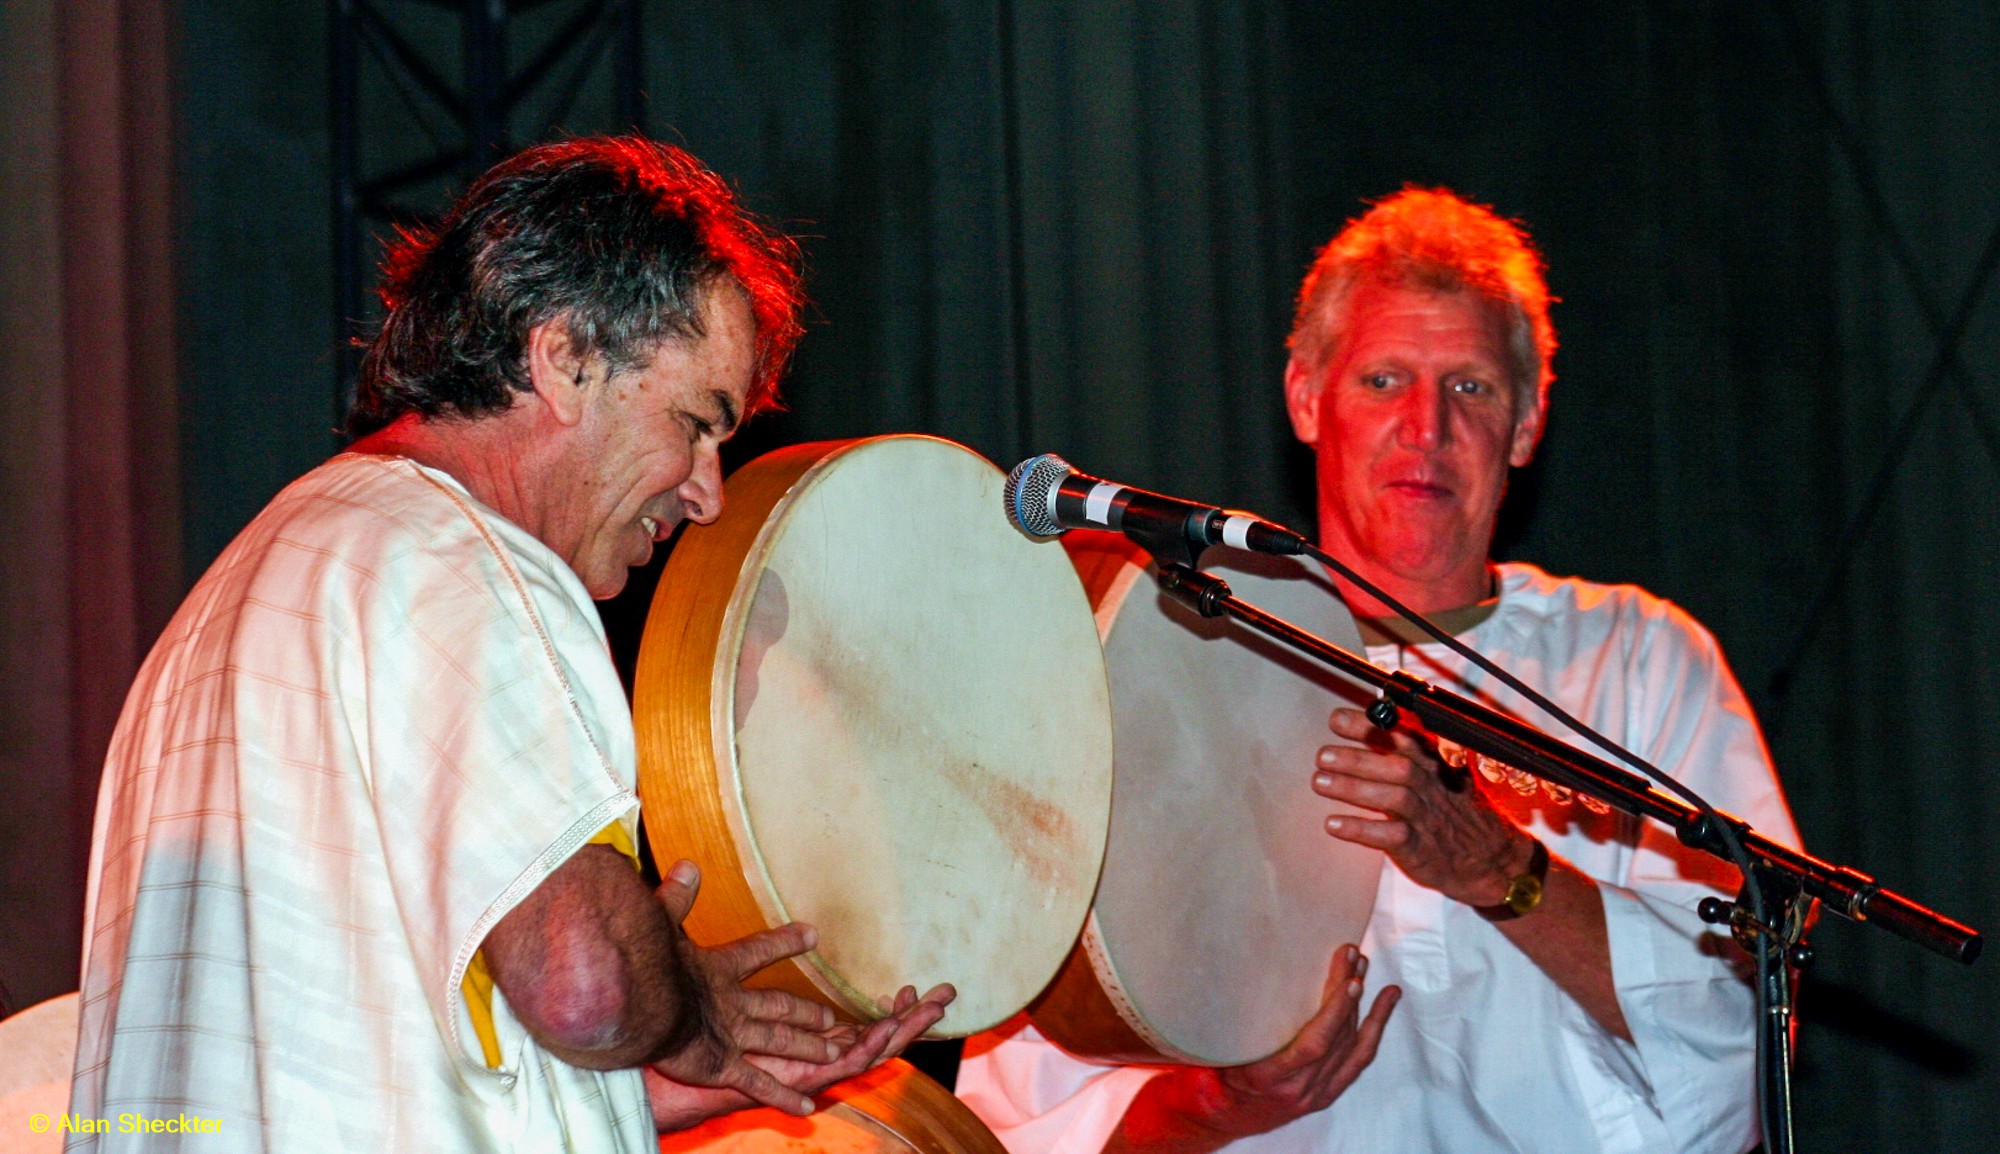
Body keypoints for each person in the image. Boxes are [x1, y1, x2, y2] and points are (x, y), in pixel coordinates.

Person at [67, 137, 950, 1153]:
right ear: (566, 356)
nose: (707, 491)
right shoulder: (475, 561)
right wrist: (686, 1001)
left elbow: (373, 1039)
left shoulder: (244, 588)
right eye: (698, 424)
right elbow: (584, 982)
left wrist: (658, 1082)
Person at [957, 188, 1799, 1153]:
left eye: (1471, 388)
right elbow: (1013, 1123)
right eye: (1385, 380)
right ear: (1307, 400)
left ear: (1526, 424)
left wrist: (1497, 868)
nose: (1427, 428)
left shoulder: (1639, 658)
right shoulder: (1163, 657)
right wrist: (1217, 1106)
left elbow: (1744, 1050)